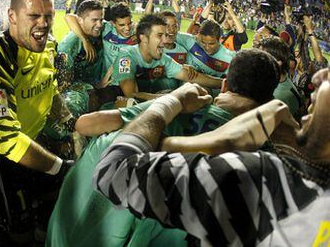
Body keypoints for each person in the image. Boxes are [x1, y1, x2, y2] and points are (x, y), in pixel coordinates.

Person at [47, 48, 280, 246]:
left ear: (226, 84)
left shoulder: (175, 110)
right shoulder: (266, 159)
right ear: (269, 102)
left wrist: (169, 101)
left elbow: (87, 124)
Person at [94, 66, 330, 245]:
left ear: (226, 86)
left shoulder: (262, 181)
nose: (319, 76)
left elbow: (113, 171)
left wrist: (169, 102)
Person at [0, 0, 73, 242]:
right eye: (34, 16)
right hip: (4, 159)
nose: (43, 23)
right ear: (12, 16)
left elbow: (51, 90)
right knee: (20, 225)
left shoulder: (49, 46)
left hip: (37, 144)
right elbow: (6, 139)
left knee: (49, 206)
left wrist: (69, 122)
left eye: (48, 16)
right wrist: (59, 167)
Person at [110, 14, 222, 98]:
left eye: (165, 35)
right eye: (160, 36)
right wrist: (169, 97)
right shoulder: (126, 55)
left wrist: (224, 83)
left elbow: (191, 76)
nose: (164, 41)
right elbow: (131, 94)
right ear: (143, 38)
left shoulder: (163, 59)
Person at [259, 36, 303, 118]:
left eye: (262, 57)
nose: (257, 60)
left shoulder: (282, 96)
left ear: (278, 62)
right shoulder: (267, 80)